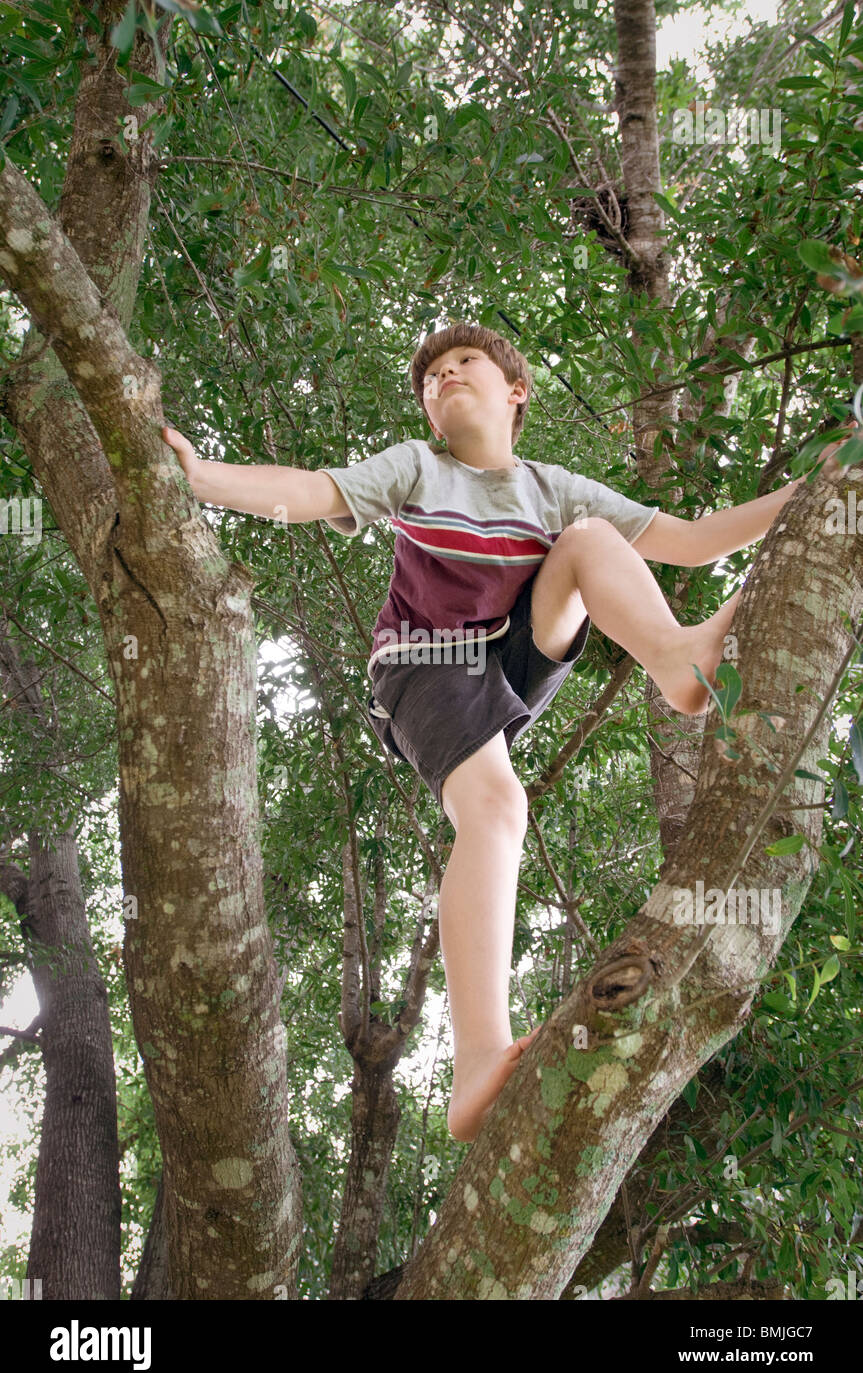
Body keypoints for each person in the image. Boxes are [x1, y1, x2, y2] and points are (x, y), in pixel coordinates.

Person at [162, 321, 851, 1144]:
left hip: (514, 658)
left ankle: (674, 658)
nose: (445, 376)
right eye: (431, 376)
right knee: (494, 811)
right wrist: (203, 478)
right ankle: (477, 1060)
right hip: (425, 663)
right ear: (426, 410)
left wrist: (829, 478)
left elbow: (695, 545)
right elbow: (312, 490)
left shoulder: (551, 486)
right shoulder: (416, 468)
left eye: (465, 364)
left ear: (515, 392)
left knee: (591, 538)